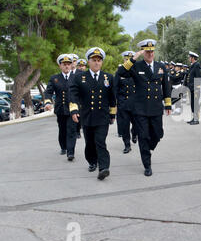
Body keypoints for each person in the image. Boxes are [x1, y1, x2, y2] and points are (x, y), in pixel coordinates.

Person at [117, 39, 171, 177]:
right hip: (140, 109)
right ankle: (147, 164)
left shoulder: (161, 67)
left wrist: (168, 104)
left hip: (156, 107)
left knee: (158, 134)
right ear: (143, 52)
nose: (150, 54)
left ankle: (148, 148)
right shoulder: (136, 66)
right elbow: (121, 73)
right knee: (143, 136)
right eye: (147, 51)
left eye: (152, 51)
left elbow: (166, 87)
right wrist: (134, 58)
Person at [69, 47, 116, 181]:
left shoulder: (108, 77)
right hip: (87, 116)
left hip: (102, 116)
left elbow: (112, 97)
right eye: (94, 60)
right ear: (89, 62)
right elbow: (73, 94)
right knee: (90, 143)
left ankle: (104, 168)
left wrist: (112, 114)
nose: (96, 63)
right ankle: (92, 161)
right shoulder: (79, 77)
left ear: (102, 62)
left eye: (99, 60)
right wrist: (74, 110)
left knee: (100, 141)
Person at [44, 54, 78, 161]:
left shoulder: (76, 77)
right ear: (60, 66)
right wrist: (48, 103)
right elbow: (48, 92)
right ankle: (63, 147)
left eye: (69, 64)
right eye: (64, 64)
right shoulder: (55, 78)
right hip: (60, 109)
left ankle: (71, 152)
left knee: (71, 130)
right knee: (62, 130)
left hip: (73, 109)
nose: (67, 66)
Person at [114, 51, 138, 154]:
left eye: (130, 59)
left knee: (137, 123)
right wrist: (115, 103)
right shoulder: (119, 72)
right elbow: (115, 88)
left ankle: (134, 132)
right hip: (123, 103)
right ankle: (127, 145)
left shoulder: (137, 71)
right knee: (124, 126)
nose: (128, 61)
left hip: (135, 104)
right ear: (124, 60)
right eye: (126, 59)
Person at [186, 52, 201, 125]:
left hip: (195, 88)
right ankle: (193, 118)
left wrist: (197, 88)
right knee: (192, 103)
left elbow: (198, 77)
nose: (189, 58)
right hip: (191, 88)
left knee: (195, 104)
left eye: (190, 57)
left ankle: (196, 119)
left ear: (193, 58)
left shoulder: (197, 65)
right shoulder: (192, 66)